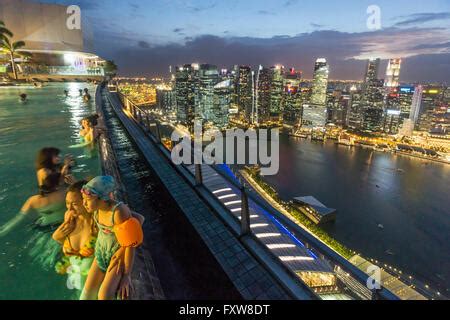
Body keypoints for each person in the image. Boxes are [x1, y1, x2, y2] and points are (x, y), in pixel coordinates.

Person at [80, 176, 144, 300]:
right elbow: (139, 218)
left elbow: (130, 245)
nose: (84, 203)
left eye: (87, 199)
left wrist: (126, 275)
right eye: (83, 199)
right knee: (86, 294)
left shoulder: (118, 212)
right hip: (101, 252)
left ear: (102, 199)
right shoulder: (97, 208)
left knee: (104, 295)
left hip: (116, 257)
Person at [0, 174, 67, 270]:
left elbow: (17, 219)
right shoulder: (65, 194)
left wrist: (2, 231)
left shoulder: (32, 200)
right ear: (58, 185)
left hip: (43, 230)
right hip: (61, 229)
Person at [52, 181, 98, 292]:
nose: (70, 209)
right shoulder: (70, 218)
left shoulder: (98, 221)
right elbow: (68, 248)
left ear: (86, 201)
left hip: (94, 284)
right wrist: (57, 237)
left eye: (75, 204)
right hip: (75, 278)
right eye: (67, 203)